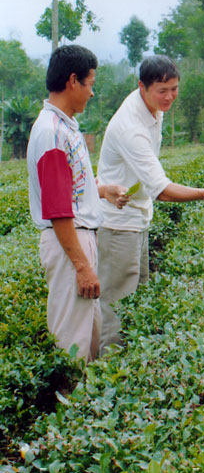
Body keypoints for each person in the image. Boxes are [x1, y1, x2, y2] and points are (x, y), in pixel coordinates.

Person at [96, 54, 204, 355]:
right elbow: (161, 190)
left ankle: (131, 372)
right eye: (162, 90)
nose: (170, 96)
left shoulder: (153, 109)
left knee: (138, 300)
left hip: (137, 219)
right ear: (142, 87)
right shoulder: (130, 127)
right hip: (118, 225)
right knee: (118, 309)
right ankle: (106, 379)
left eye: (174, 88)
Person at [27, 45, 128, 363]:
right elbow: (59, 211)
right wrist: (82, 267)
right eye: (90, 83)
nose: (92, 93)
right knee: (72, 340)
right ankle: (70, 407)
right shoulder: (53, 133)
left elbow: (72, 188)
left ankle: (86, 405)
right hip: (70, 241)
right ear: (73, 81)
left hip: (78, 237)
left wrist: (104, 189)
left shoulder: (65, 127)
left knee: (89, 333)